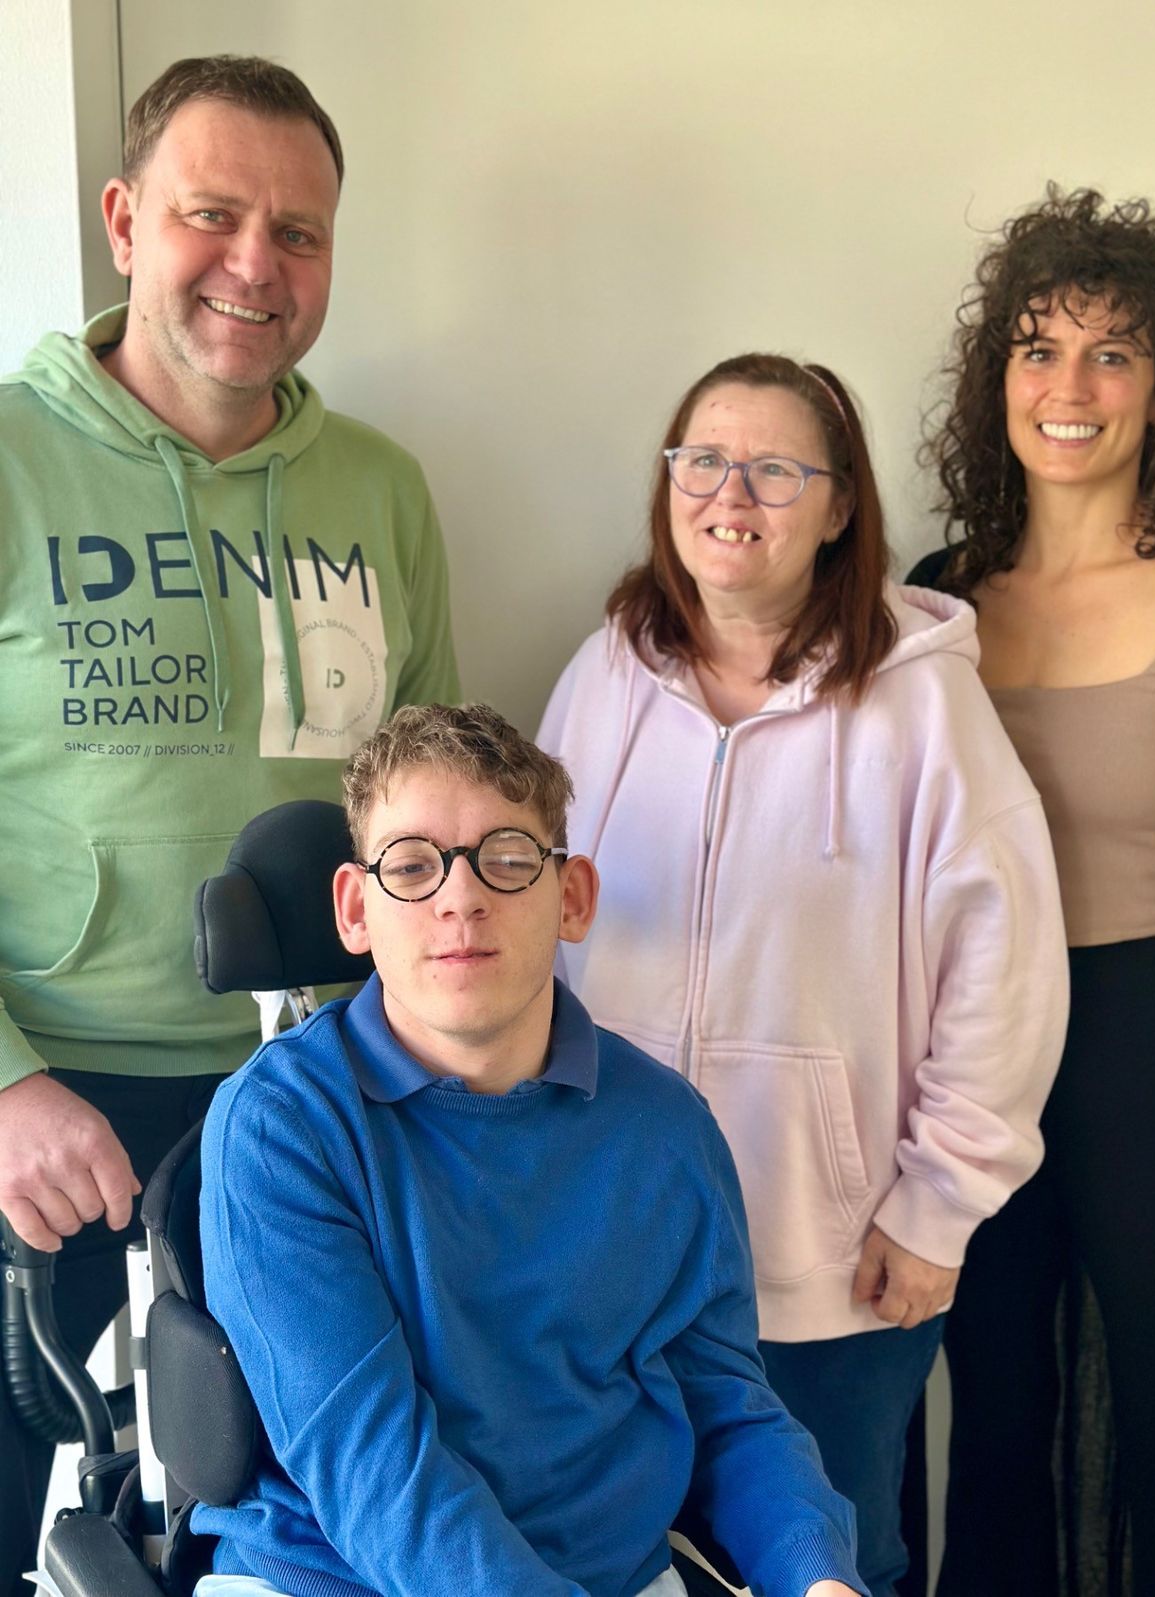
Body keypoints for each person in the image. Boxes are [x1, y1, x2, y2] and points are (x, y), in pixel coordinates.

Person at [0, 55, 457, 1594]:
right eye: (213, 215)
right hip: (56, 1119)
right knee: (58, 1536)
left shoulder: (379, 489)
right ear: (126, 220)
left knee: (290, 1533)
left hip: (319, 1105)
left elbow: (425, 805)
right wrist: (1, 1084)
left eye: (302, 232)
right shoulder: (7, 459)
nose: (257, 265)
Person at [536, 352, 1069, 1597]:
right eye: (704, 460)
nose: (733, 492)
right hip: (611, 1241)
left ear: (838, 509)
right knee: (624, 1553)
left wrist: (940, 1205)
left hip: (833, 1258)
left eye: (776, 469)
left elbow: (1007, 967)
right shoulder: (606, 671)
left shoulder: (922, 707)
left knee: (827, 1559)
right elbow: (529, 927)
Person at [190, 700, 866, 1597]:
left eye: (508, 858)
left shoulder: (667, 1128)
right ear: (356, 908)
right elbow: (373, 1469)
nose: (460, 897)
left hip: (609, 1572)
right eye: (413, 865)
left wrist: (815, 1574)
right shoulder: (279, 1127)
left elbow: (729, 1412)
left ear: (572, 896)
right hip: (332, 1574)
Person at [908, 186, 1155, 1597]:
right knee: (991, 1416)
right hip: (978, 1057)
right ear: (993, 377)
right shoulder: (933, 599)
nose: (1067, 388)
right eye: (1035, 347)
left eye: (1112, 352)